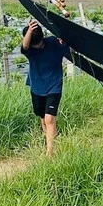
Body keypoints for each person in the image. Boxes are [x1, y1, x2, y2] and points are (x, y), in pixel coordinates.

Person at [21, 19, 70, 156]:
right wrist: (29, 31)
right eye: (36, 45)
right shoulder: (30, 51)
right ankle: (49, 142)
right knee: (42, 118)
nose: (40, 46)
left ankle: (50, 153)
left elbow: (69, 46)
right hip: (37, 87)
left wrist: (64, 41)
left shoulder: (54, 42)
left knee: (50, 119)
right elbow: (24, 46)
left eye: (41, 43)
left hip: (54, 86)